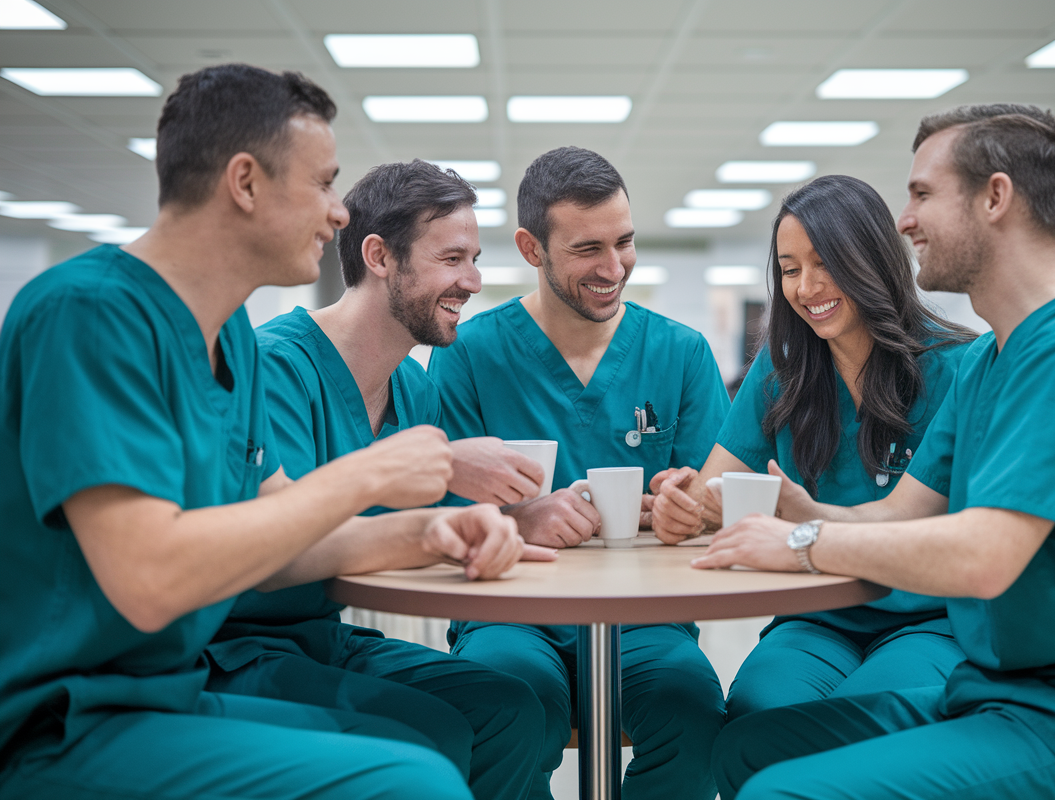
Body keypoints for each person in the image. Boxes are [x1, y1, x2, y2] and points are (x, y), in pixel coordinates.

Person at [0, 64, 491, 800]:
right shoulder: (87, 314)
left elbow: (282, 547)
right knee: (414, 783)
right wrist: (367, 474)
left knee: (446, 734)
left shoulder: (229, 333)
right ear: (245, 182)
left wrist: (429, 533)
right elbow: (149, 580)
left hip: (167, 691)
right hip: (62, 719)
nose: (338, 214)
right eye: (323, 184)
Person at [699, 104, 1055, 800]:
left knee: (777, 793)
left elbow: (983, 557)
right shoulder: (994, 359)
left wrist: (803, 543)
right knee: (744, 748)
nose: (903, 221)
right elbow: (897, 516)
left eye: (922, 195)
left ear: (995, 197)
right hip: (995, 691)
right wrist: (802, 513)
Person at [203, 159, 558, 800]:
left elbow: (408, 523)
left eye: (474, 259)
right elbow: (281, 542)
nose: (474, 281)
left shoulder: (413, 390)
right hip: (234, 648)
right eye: (453, 259)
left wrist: (513, 518)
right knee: (430, 732)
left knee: (510, 706)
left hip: (321, 636)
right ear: (379, 256)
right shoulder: (276, 367)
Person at [426, 146, 730, 800]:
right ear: (531, 249)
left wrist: (695, 512)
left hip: (646, 619)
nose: (614, 267)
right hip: (508, 612)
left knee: (694, 712)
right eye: (588, 249)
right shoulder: (469, 354)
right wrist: (513, 517)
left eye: (624, 242)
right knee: (503, 705)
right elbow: (433, 505)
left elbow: (724, 498)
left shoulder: (681, 353)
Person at [650, 174, 973, 720]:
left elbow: (944, 529)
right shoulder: (781, 373)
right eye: (791, 270)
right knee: (756, 711)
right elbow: (709, 497)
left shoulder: (959, 369)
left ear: (872, 259)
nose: (806, 288)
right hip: (815, 614)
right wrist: (679, 508)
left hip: (928, 617)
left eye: (826, 264)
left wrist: (809, 521)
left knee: (859, 717)